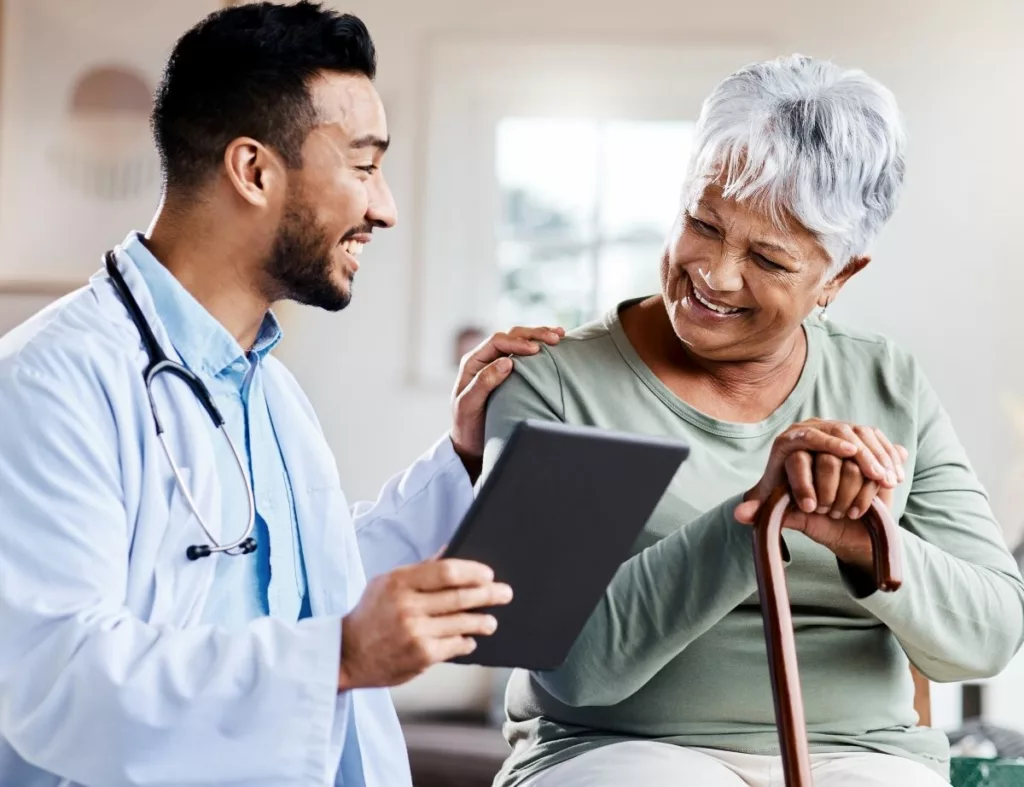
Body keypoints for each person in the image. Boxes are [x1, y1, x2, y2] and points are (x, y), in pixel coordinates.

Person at [0, 4, 563, 786]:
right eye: (364, 166)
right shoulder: (47, 384)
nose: (385, 207)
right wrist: (339, 654)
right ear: (254, 170)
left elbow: (314, 586)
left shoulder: (267, 385)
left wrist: (464, 458)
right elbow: (55, 680)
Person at [483, 54, 1024, 787]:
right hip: (615, 752)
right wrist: (753, 519)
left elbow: (989, 635)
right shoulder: (558, 383)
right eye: (702, 223)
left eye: (768, 258)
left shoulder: (884, 380)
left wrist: (872, 544)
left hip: (861, 755)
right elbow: (571, 667)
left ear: (839, 275)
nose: (716, 273)